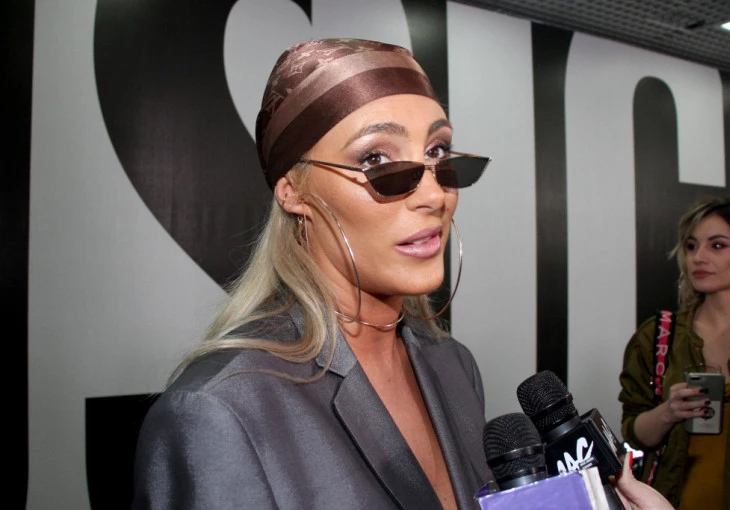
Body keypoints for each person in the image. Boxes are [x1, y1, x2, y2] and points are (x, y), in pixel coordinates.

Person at [133, 37, 674, 510]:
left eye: (438, 151)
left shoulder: (453, 366)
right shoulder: (217, 411)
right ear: (294, 191)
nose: (435, 193)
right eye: (375, 159)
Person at [619, 192, 730, 509]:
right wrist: (667, 412)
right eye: (691, 246)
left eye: (717, 245)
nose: (698, 257)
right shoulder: (658, 336)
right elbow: (633, 434)